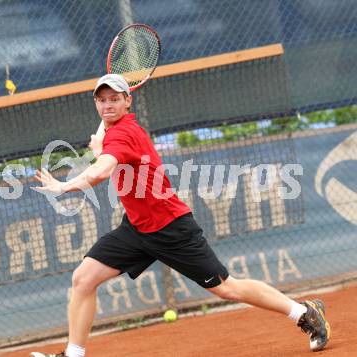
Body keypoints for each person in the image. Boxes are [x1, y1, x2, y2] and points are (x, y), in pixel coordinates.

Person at [31, 74, 330, 357]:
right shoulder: (114, 133)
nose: (107, 105)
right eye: (102, 100)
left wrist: (65, 186)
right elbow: (115, 161)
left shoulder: (124, 133)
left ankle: (304, 313)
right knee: (83, 279)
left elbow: (102, 172)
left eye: (114, 99)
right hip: (137, 228)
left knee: (226, 287)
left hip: (171, 228)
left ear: (127, 101)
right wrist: (100, 150)